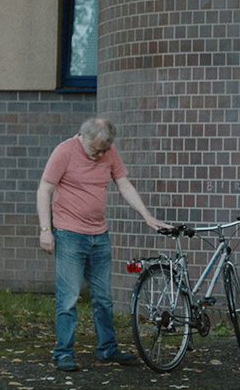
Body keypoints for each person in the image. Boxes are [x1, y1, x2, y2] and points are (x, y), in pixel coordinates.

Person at [37, 117, 170, 372]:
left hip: (100, 235)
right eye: (95, 149)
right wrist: (46, 230)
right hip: (69, 234)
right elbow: (45, 189)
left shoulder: (109, 152)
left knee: (104, 298)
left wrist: (147, 215)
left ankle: (108, 349)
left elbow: (123, 183)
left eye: (104, 150)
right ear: (83, 136)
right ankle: (63, 352)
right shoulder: (64, 151)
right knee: (69, 298)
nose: (99, 155)